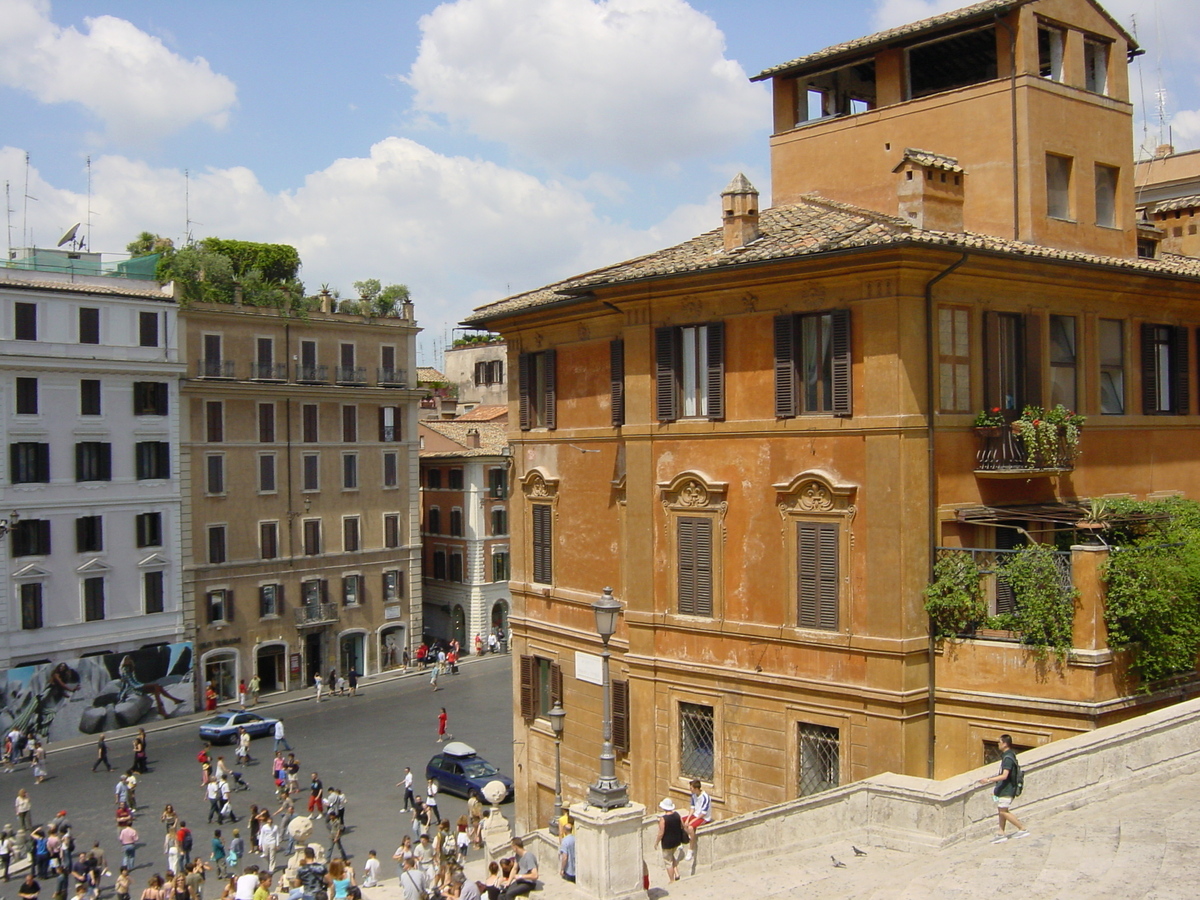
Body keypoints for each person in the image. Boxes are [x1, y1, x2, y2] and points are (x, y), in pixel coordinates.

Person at [978, 733, 1029, 842]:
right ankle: (1001, 833)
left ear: (1005, 744)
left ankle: (1022, 828)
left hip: (1007, 789)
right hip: (1005, 789)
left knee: (1004, 811)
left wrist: (988, 780)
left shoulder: (1008, 758)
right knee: (1001, 810)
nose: (998, 744)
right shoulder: (1010, 755)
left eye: (999, 742)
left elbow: (1004, 775)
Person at [654, 798, 685, 883]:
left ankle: (671, 879)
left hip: (667, 843)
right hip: (676, 841)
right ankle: (677, 873)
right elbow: (682, 825)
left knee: (668, 862)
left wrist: (656, 842)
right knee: (672, 856)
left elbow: (661, 832)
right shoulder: (677, 815)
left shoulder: (663, 819)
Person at [681, 779, 711, 859]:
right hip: (695, 814)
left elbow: (703, 813)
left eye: (691, 788)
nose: (690, 789)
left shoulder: (705, 797)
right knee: (680, 820)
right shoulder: (693, 795)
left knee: (690, 827)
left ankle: (690, 849)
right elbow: (692, 808)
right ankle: (683, 839)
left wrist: (692, 821)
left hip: (704, 817)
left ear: (696, 788)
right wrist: (687, 819)